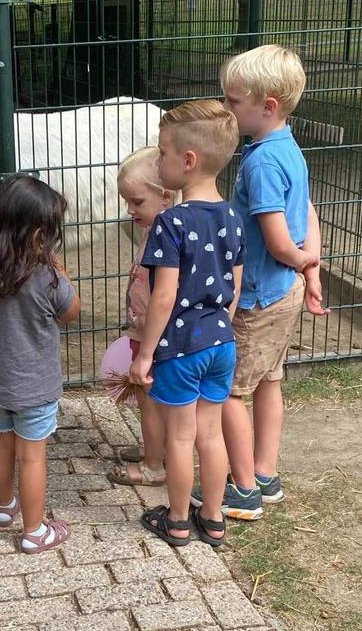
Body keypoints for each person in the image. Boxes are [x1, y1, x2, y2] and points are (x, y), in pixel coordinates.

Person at [201, 43, 326, 521]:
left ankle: (245, 489)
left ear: (266, 106)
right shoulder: (286, 146)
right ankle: (265, 474)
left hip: (256, 297)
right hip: (285, 292)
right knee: (270, 380)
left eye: (232, 101)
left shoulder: (259, 163)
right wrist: (310, 265)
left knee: (230, 390)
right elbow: (308, 211)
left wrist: (297, 258)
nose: (226, 107)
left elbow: (276, 239)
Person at [129, 99, 244, 548]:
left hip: (179, 348)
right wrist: (221, 326)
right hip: (221, 343)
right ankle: (213, 519)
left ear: (188, 161)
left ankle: (177, 519)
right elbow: (235, 282)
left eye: (161, 153)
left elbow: (164, 295)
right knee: (210, 433)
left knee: (181, 437)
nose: (158, 161)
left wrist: (143, 354)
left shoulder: (171, 222)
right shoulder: (233, 216)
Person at [0, 175, 81, 554]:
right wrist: (63, 273)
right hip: (34, 388)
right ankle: (35, 531)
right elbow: (72, 312)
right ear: (40, 234)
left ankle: (5, 508)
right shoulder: (47, 276)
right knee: (32, 455)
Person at [106, 146, 176, 488]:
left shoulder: (164, 236)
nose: (129, 210)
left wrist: (145, 344)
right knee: (155, 397)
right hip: (151, 330)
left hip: (152, 334)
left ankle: (153, 466)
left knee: (149, 399)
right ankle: (156, 449)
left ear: (165, 197)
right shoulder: (158, 227)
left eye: (136, 202)